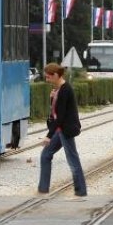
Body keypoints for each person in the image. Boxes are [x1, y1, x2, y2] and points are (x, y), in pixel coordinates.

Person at [38, 63, 87, 199]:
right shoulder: (59, 90)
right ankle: (43, 190)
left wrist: (49, 136)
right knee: (45, 155)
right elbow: (54, 113)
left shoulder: (65, 90)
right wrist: (52, 99)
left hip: (66, 130)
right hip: (61, 129)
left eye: (48, 77)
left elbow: (60, 116)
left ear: (55, 75)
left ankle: (80, 192)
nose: (47, 80)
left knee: (72, 160)